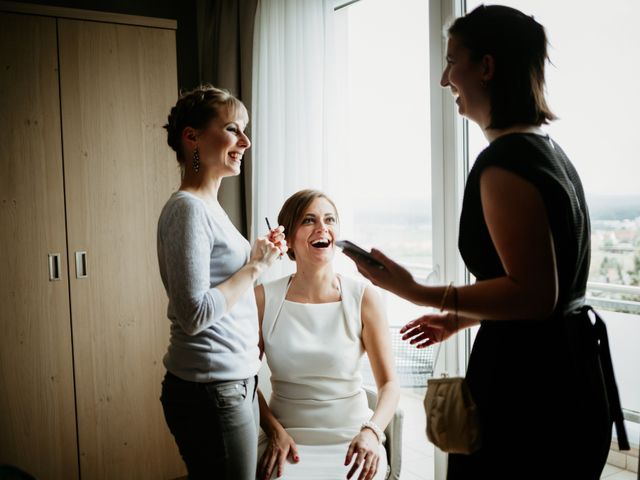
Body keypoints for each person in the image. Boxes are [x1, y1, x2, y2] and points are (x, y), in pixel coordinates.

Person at [345, 6, 620, 479]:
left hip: (530, 390)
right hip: (572, 372)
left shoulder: (504, 164)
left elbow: (535, 296)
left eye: (453, 61)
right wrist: (466, 317)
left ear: (486, 68)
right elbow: (546, 286)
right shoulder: (549, 153)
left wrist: (414, 291)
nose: (444, 78)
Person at [157, 84, 287, 479]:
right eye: (232, 129)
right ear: (192, 137)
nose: (245, 141)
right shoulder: (189, 209)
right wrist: (256, 267)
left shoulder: (209, 207)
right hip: (212, 389)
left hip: (230, 383)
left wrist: (255, 257)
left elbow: (220, 283)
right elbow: (195, 313)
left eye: (244, 130)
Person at [255, 189, 400, 480]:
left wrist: (372, 433)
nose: (323, 228)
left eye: (329, 219)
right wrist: (274, 430)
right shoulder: (262, 298)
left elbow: (390, 385)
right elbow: (244, 380)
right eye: (309, 220)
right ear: (288, 237)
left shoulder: (364, 297)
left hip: (354, 439)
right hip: (285, 439)